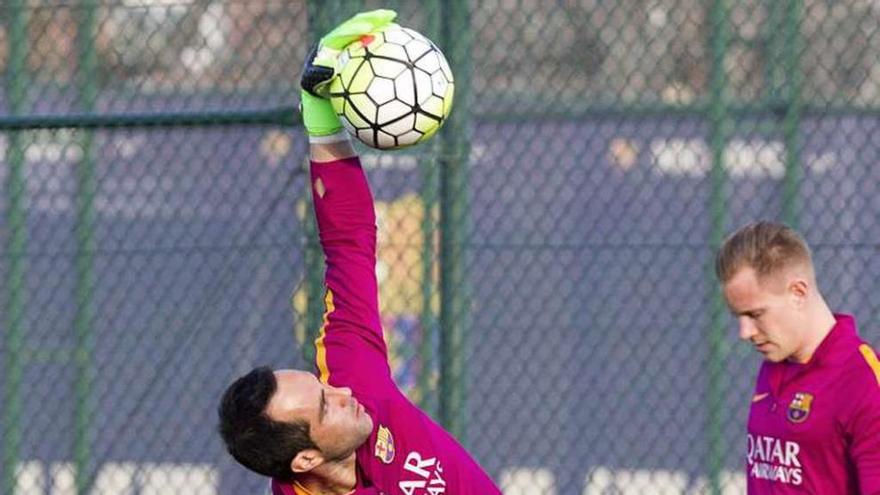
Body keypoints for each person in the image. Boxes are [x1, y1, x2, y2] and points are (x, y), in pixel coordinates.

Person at [217, 10, 501, 495]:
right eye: (325, 406)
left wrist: (321, 114)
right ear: (306, 458)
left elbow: (349, 243)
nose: (342, 392)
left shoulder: (353, 377)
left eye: (322, 386)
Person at [716, 221, 880, 494]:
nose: (745, 332)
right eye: (739, 317)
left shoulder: (864, 382)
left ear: (798, 293)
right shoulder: (774, 364)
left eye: (756, 315)